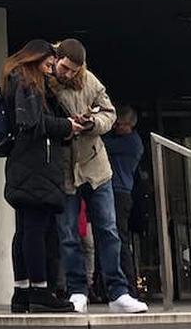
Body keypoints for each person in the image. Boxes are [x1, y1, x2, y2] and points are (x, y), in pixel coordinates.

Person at [51, 39, 148, 314]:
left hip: (96, 167)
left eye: (74, 70)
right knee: (69, 235)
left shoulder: (90, 81)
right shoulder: (46, 82)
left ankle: (118, 291)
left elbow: (109, 113)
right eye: (65, 68)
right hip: (65, 168)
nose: (68, 74)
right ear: (57, 59)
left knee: (108, 231)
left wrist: (92, 123)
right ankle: (77, 290)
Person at [1, 39, 81, 314]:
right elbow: (33, 123)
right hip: (36, 168)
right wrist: (66, 126)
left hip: (23, 166)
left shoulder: (16, 80)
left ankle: (22, 292)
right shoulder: (27, 82)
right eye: (48, 64)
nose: (50, 70)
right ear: (35, 60)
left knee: (25, 231)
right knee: (38, 231)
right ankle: (39, 290)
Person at [105, 104, 145, 294]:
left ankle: (128, 285)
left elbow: (104, 145)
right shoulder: (128, 141)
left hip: (119, 192)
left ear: (130, 125)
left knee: (119, 238)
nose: (116, 127)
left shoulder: (131, 142)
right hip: (118, 191)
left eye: (120, 124)